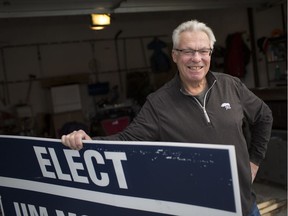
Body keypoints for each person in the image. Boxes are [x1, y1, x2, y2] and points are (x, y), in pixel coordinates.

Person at [61, 20, 273, 216]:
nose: (196, 58)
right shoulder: (158, 103)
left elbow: (264, 116)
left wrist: (254, 161)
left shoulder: (231, 86)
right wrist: (88, 142)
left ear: (210, 53)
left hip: (245, 206)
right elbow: (127, 140)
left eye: (203, 51)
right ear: (174, 55)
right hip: (196, 210)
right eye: (188, 51)